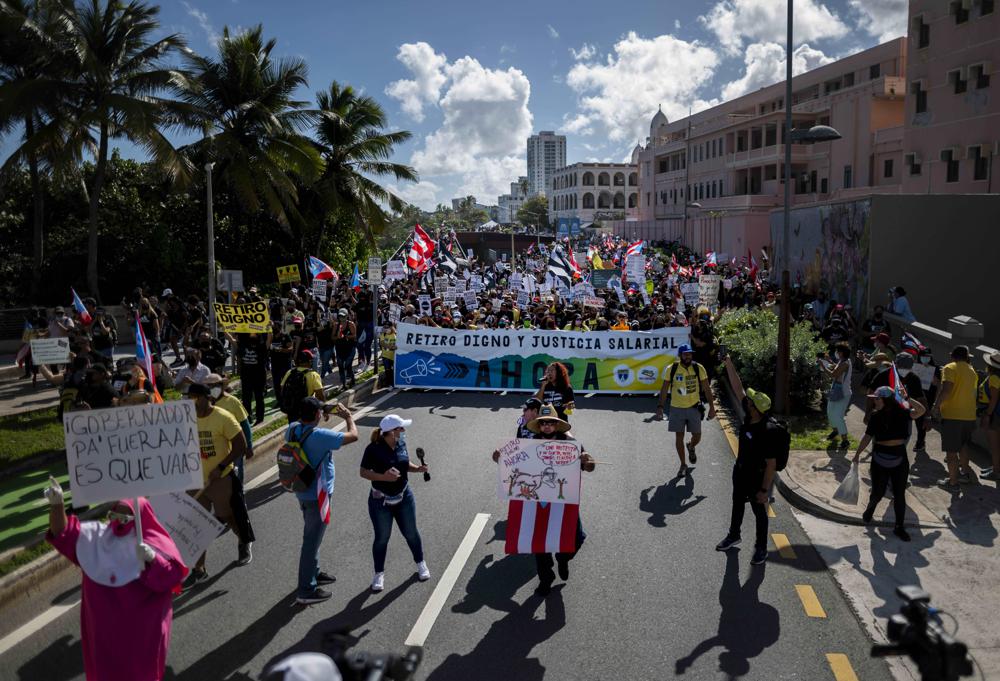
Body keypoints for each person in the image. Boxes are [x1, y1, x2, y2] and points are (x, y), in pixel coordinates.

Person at [44, 480, 186, 681]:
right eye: (115, 514)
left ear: (140, 517)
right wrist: (57, 505)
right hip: (106, 638)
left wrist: (154, 559)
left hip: (141, 638)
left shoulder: (154, 543)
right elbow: (63, 535)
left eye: (126, 516)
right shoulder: (97, 540)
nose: (120, 521)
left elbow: (171, 577)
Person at [493, 403, 595, 595]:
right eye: (543, 423)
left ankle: (563, 559)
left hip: (564, 503)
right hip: (537, 502)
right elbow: (506, 463)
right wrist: (497, 456)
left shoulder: (570, 445)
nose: (547, 426)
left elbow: (589, 466)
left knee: (577, 538)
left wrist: (587, 461)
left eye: (551, 422)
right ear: (539, 425)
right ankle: (545, 579)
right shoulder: (530, 445)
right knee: (540, 543)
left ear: (557, 424)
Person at [286, 397, 358, 604]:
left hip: (302, 490)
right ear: (318, 415)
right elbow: (353, 436)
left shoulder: (292, 429)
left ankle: (314, 573)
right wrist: (348, 417)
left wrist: (322, 409)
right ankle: (306, 591)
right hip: (318, 494)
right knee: (311, 542)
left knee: (314, 536)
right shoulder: (320, 436)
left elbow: (309, 418)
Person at [184, 382, 255, 588]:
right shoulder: (186, 418)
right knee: (197, 523)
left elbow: (241, 445)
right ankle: (199, 570)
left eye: (196, 397)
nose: (192, 402)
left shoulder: (223, 418)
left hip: (221, 478)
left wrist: (222, 465)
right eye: (190, 398)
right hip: (195, 481)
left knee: (227, 516)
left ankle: (243, 540)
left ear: (208, 398)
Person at [716, 356, 778, 565]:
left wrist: (764, 490)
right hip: (741, 471)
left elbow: (771, 464)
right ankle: (734, 535)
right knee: (737, 504)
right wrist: (729, 364)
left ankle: (761, 549)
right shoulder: (750, 416)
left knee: (759, 511)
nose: (745, 399)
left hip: (758, 477)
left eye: (749, 400)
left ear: (754, 407)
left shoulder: (767, 431)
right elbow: (737, 388)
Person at [359, 414, 430, 592]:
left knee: (411, 532)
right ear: (391, 432)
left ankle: (421, 563)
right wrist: (383, 477)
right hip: (380, 500)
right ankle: (379, 574)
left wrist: (418, 469)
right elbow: (363, 472)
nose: (404, 431)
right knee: (382, 538)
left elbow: (405, 464)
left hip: (404, 496)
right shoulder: (373, 449)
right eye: (401, 428)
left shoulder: (400, 444)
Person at [852, 386, 926, 541]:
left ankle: (899, 527)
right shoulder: (875, 416)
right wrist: (857, 454)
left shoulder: (903, 412)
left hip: (899, 458)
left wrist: (907, 398)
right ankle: (871, 508)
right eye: (874, 398)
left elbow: (921, 410)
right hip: (879, 458)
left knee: (899, 494)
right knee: (877, 493)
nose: (874, 401)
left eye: (877, 398)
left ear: (886, 399)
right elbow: (867, 436)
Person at [655, 344, 717, 476]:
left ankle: (691, 445)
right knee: (679, 436)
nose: (688, 356)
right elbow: (664, 389)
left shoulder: (698, 368)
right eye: (685, 354)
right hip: (676, 408)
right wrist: (660, 407)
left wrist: (712, 407)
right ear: (680, 355)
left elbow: (707, 388)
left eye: (690, 354)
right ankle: (683, 464)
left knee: (697, 435)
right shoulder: (671, 369)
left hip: (694, 407)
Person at [932, 345, 979, 490]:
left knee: (951, 452)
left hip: (953, 416)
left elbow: (946, 390)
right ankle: (964, 474)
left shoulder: (949, 367)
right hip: (969, 415)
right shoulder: (972, 371)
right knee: (963, 446)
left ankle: (953, 483)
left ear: (952, 356)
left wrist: (936, 406)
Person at [203, 374, 253, 482]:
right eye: (209, 386)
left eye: (215, 386)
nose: (212, 389)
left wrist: (249, 446)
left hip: (234, 448)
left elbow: (245, 424)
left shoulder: (233, 402)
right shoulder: (204, 404)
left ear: (221, 386)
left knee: (236, 476)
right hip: (215, 450)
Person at [822, 342, 853, 449]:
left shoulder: (845, 363)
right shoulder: (842, 361)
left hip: (844, 393)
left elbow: (833, 374)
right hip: (835, 390)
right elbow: (837, 367)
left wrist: (823, 366)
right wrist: (829, 361)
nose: (836, 353)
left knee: (838, 417)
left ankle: (845, 440)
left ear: (841, 352)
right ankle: (835, 431)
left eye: (837, 351)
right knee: (830, 412)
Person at [281, 350, 325, 423]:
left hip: (292, 410)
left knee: (294, 430)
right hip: (307, 410)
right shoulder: (313, 375)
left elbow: (282, 389)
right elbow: (320, 395)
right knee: (308, 432)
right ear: (309, 361)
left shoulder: (290, 372)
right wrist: (323, 408)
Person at [236, 331, 270, 425]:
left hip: (259, 377)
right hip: (246, 377)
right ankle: (248, 418)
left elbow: (269, 340)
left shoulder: (261, 347)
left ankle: (260, 418)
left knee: (259, 397)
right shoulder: (243, 345)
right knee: (246, 398)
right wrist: (225, 327)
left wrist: (269, 329)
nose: (252, 333)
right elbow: (231, 339)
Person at [978, 352, 1000, 482]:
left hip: (995, 416)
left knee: (994, 445)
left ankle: (996, 472)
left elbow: (994, 399)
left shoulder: (994, 379)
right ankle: (996, 467)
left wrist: (987, 415)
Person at [332, 309, 357, 388]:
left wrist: (346, 336)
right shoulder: (336, 325)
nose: (341, 318)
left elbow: (354, 336)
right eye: (340, 316)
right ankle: (343, 384)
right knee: (340, 366)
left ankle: (352, 380)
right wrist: (337, 337)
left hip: (350, 348)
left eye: (343, 316)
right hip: (339, 348)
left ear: (346, 316)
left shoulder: (351, 324)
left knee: (347, 365)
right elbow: (332, 337)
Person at [379, 321, 397, 388]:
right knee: (387, 370)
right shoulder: (383, 334)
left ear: (391, 327)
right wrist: (391, 347)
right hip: (386, 356)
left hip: (394, 356)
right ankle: (390, 384)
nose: (386, 329)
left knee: (394, 370)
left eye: (387, 327)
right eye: (384, 327)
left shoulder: (396, 334)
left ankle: (395, 383)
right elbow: (382, 343)